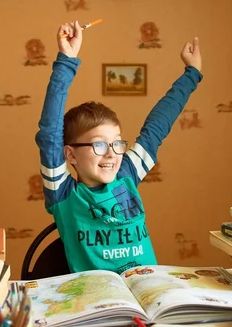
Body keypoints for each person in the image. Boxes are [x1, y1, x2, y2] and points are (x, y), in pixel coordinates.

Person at [35, 20, 203, 274]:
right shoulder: (63, 194)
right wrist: (67, 60)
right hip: (102, 301)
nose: (112, 153)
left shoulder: (126, 176)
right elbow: (49, 134)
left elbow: (157, 126)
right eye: (99, 145)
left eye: (116, 143)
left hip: (149, 292)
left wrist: (192, 73)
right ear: (70, 154)